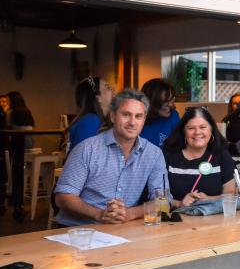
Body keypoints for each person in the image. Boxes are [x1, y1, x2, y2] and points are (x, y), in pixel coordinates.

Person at [54, 89, 171, 226]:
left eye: (138, 116)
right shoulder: (87, 149)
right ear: (112, 116)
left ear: (144, 120)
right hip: (79, 229)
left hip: (122, 229)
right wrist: (99, 214)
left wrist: (129, 214)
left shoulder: (154, 154)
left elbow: (163, 202)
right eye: (126, 115)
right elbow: (62, 197)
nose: (132, 122)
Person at [163, 107, 236, 207]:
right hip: (177, 221)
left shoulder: (221, 155)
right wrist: (179, 203)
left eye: (202, 127)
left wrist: (208, 199)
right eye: (191, 128)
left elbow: (231, 194)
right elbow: (157, 197)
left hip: (215, 220)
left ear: (211, 129)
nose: (197, 132)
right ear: (183, 131)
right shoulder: (168, 155)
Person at [68, 76, 115, 152]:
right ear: (98, 98)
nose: (113, 90)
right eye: (108, 87)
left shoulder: (94, 120)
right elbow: (83, 157)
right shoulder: (90, 121)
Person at [140, 78, 180, 148]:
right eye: (165, 101)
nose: (171, 105)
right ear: (151, 102)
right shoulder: (138, 120)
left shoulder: (173, 116)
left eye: (171, 100)